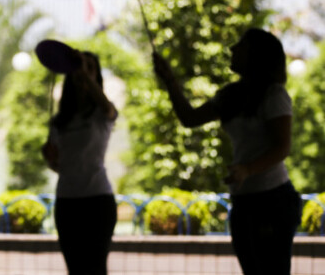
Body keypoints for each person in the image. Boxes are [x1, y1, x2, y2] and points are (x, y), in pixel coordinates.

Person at [153, 28, 301, 275]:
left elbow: (282, 147)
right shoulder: (231, 95)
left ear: (257, 55)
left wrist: (247, 169)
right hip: (244, 201)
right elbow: (189, 118)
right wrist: (170, 80)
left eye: (240, 45)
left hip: (272, 201)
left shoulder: (274, 95)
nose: (232, 49)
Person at [41, 50, 118, 275]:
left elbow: (107, 106)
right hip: (67, 201)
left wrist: (84, 73)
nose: (83, 72)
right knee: (75, 269)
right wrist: (51, 160)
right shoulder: (60, 121)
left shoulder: (102, 114)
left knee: (96, 268)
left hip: (98, 200)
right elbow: (59, 166)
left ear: (97, 75)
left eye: (90, 67)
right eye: (79, 67)